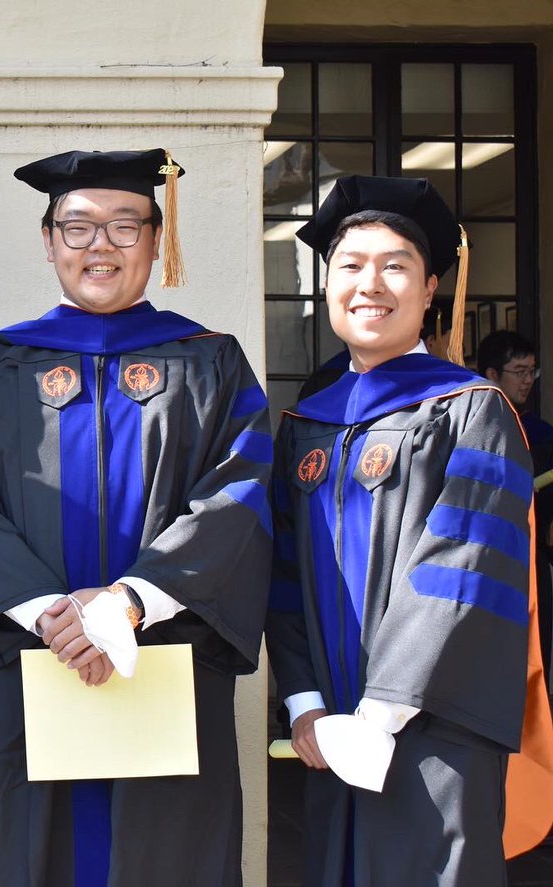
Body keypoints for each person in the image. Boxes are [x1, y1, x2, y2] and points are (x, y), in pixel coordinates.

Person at [0, 148, 272, 886]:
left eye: (125, 225)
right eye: (78, 227)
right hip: (28, 664)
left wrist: (129, 602)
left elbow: (237, 495)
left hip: (163, 663)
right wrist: (50, 614)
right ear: (48, 241)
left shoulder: (211, 362)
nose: (101, 246)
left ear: (157, 238)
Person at [266, 175, 553, 885]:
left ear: (429, 291)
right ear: (327, 286)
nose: (371, 284)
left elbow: (462, 563)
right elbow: (283, 575)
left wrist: (382, 708)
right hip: (332, 732)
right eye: (351, 266)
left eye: (395, 266)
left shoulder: (472, 411)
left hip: (436, 732)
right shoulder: (309, 422)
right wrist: (305, 704)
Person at [479, 330, 552, 677]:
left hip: (531, 558)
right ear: (492, 374)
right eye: (519, 371)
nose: (528, 381)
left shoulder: (540, 434)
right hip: (484, 562)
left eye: (532, 371)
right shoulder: (471, 426)